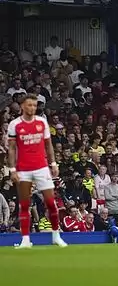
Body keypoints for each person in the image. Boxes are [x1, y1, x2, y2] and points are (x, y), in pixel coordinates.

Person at [6, 94, 68, 248]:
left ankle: (56, 236)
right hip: (23, 169)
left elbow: (48, 145)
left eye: (34, 105)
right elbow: (12, 148)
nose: (32, 108)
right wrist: (12, 169)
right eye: (29, 105)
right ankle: (25, 239)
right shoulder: (14, 124)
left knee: (51, 203)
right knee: (24, 204)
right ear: (22, 106)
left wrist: (53, 163)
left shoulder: (42, 122)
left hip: (42, 167)